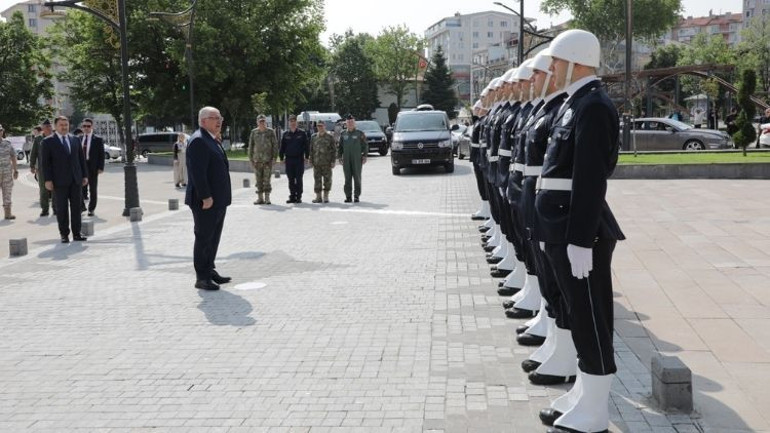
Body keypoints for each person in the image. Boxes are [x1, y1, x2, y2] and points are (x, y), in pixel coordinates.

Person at [534, 29, 625, 433]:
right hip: (561, 224)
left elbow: (590, 179)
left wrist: (579, 238)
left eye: (555, 62)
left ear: (574, 61)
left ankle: (595, 411)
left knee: (590, 320)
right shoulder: (576, 105)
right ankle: (583, 395)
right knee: (575, 313)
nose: (551, 70)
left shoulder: (594, 106)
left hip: (577, 229)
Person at [185, 106, 232, 291]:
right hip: (206, 201)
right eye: (214, 118)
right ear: (203, 121)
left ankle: (210, 270)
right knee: (204, 238)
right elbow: (198, 173)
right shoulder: (199, 140)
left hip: (218, 200)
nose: (219, 121)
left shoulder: (211, 139)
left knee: (213, 238)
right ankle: (201, 277)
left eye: (220, 117)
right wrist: (206, 196)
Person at [41, 116, 88, 243]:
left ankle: (77, 233)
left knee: (76, 208)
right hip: (59, 181)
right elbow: (45, 163)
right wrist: (48, 180)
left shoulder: (75, 139)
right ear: (56, 126)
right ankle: (64, 234)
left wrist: (84, 175)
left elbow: (81, 159)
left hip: (75, 179)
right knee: (62, 209)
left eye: (66, 124)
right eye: (61, 125)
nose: (64, 127)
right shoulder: (48, 141)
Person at [248, 114, 278, 205]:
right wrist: (251, 160)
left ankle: (267, 198)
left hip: (267, 161)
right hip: (257, 161)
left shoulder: (271, 132)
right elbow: (251, 146)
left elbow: (275, 145)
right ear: (257, 122)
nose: (262, 123)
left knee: (267, 180)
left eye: (263, 121)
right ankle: (260, 198)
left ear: (265, 122)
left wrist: (274, 157)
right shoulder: (254, 132)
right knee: (258, 180)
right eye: (260, 121)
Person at [279, 114, 309, 204]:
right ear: (289, 123)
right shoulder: (285, 134)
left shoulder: (302, 133)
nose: (292, 123)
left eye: (294, 121)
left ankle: (299, 196)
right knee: (291, 179)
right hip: (289, 160)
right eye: (291, 121)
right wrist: (281, 158)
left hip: (299, 160)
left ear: (296, 122)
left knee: (299, 178)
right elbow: (282, 148)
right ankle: (292, 196)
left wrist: (307, 157)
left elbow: (306, 146)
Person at [337, 114, 367, 203]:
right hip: (346, 159)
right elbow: (340, 147)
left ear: (354, 123)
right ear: (346, 123)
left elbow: (365, 145)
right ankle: (348, 196)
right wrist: (339, 157)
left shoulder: (360, 133)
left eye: (351, 122)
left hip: (357, 159)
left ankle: (356, 196)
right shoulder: (343, 134)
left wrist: (365, 156)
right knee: (347, 178)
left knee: (357, 177)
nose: (350, 123)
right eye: (348, 122)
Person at [80, 118, 105, 217]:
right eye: (84, 126)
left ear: (92, 127)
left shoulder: (98, 139)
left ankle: (91, 209)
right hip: (81, 167)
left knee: (93, 189)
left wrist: (101, 167)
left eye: (88, 126)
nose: (86, 128)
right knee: (80, 189)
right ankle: (82, 207)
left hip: (93, 167)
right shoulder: (79, 138)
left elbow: (101, 155)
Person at [30, 120, 54, 217]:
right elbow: (33, 153)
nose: (48, 128)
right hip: (42, 169)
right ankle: (45, 209)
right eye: (45, 126)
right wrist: (32, 165)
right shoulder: (38, 139)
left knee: (55, 189)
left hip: (55, 168)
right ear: (42, 128)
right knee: (43, 189)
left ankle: (56, 208)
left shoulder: (55, 137)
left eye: (49, 126)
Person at [309, 121, 337, 203]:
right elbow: (311, 149)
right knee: (317, 180)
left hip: (327, 163)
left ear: (324, 126)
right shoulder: (314, 137)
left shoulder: (330, 137)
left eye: (321, 126)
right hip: (316, 163)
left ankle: (326, 196)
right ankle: (318, 197)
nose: (320, 127)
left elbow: (334, 150)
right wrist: (311, 160)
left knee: (327, 180)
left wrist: (333, 161)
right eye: (318, 126)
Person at [0, 125, 19, 220]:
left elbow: (13, 157)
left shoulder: (7, 143)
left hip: (7, 173)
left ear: (2, 131)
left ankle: (8, 213)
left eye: (0, 130)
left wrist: (15, 170)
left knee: (7, 192)